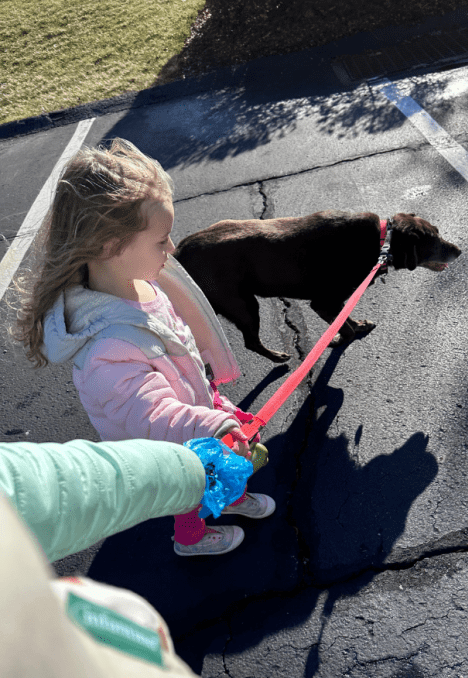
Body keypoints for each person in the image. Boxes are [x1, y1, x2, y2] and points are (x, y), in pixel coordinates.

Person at [0, 437, 404, 678]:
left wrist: (197, 465)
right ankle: (193, 534)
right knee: (190, 510)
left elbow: (49, 484)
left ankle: (217, 497)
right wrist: (197, 461)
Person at [13, 137, 274, 556]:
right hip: (168, 444)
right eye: (161, 241)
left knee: (222, 465)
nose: (171, 249)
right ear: (108, 247)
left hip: (192, 412)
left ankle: (227, 493)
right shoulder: (105, 351)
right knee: (188, 491)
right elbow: (151, 416)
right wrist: (209, 424)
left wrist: (211, 403)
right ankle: (190, 537)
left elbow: (173, 349)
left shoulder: (141, 284)